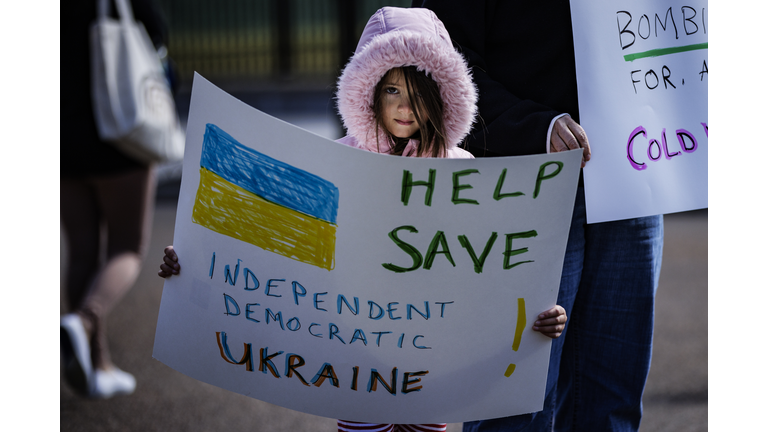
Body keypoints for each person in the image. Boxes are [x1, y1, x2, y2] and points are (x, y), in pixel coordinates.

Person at [159, 7, 568, 432]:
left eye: (419, 92)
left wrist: (537, 310)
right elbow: (259, 236)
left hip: (431, 365)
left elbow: (490, 266)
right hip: (357, 359)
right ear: (369, 91)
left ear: (441, 95)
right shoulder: (338, 162)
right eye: (392, 90)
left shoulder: (463, 173)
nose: (405, 107)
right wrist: (190, 261)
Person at [412, 1, 665, 431]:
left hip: (633, 173)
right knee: (515, 404)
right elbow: (434, 64)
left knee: (613, 404)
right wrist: (533, 127)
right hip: (522, 185)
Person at [60, 0, 169, 399]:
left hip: (62, 134)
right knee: (127, 246)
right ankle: (84, 320)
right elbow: (155, 32)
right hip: (122, 132)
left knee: (82, 250)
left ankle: (97, 366)